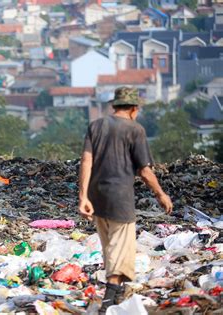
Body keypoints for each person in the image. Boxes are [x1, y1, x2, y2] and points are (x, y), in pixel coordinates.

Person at [78, 87, 173, 313]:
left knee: (110, 249)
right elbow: (145, 171)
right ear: (133, 109)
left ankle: (116, 296)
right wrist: (161, 194)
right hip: (120, 198)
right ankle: (109, 301)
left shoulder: (96, 126)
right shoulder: (135, 129)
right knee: (121, 251)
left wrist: (83, 197)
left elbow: (85, 161)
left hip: (96, 198)